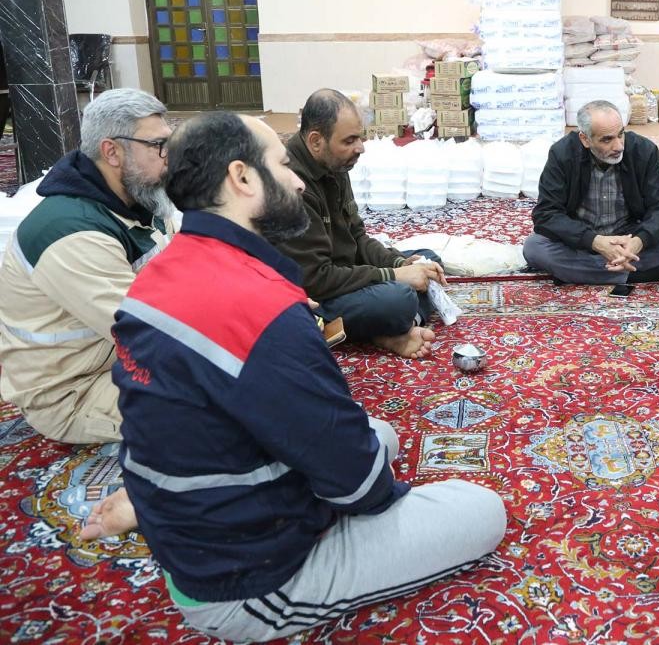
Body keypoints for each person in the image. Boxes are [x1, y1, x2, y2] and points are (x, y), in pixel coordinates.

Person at [108, 112, 506, 642]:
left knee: (381, 434)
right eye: (282, 165)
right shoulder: (260, 310)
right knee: (481, 510)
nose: (296, 181)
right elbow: (361, 487)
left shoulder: (164, 268)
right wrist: (363, 491)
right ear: (242, 178)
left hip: (195, 516)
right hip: (246, 581)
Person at [0, 88, 172, 443]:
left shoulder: (142, 199)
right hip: (75, 392)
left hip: (119, 361)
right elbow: (153, 332)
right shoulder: (70, 232)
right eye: (157, 146)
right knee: (233, 403)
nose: (169, 157)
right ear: (112, 152)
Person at [277, 89, 440, 358]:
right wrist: (392, 276)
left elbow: (357, 237)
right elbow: (316, 280)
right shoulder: (293, 185)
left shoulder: (334, 162)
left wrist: (399, 264)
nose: (361, 147)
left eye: (360, 137)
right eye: (350, 140)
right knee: (400, 298)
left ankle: (397, 329)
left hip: (345, 274)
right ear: (316, 141)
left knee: (428, 261)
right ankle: (393, 327)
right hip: (315, 297)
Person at [524, 100, 659, 286]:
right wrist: (595, 242)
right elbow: (546, 214)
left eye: (621, 134)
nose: (619, 146)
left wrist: (639, 241)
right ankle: (635, 274)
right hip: (580, 239)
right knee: (534, 248)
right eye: (607, 139)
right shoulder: (562, 154)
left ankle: (579, 272)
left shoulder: (643, 150)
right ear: (585, 139)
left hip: (628, 237)